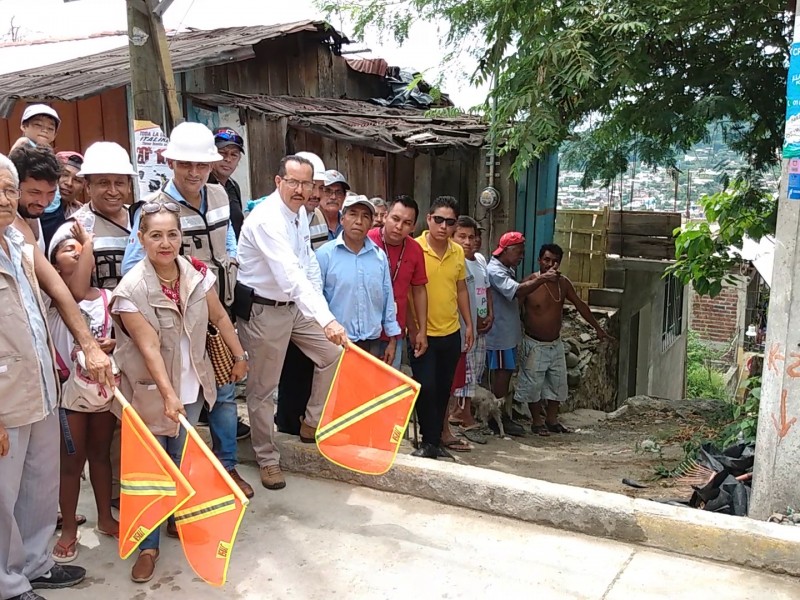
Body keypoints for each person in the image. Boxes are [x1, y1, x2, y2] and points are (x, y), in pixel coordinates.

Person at [110, 201, 248, 584]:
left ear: (182, 237)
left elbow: (219, 316)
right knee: (152, 469)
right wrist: (169, 396)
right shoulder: (131, 290)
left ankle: (177, 520)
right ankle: (147, 546)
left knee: (181, 460)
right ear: (141, 239)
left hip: (191, 389)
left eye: (172, 233)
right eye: (155, 235)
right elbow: (149, 347)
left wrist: (240, 354)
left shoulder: (194, 275)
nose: (165, 242)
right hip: (152, 394)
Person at [0, 152, 114, 600]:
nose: (5, 200)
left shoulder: (18, 241)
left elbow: (64, 296)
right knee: (2, 496)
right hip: (5, 399)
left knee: (39, 484)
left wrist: (87, 345)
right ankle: (7, 584)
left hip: (43, 388)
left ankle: (34, 563)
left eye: (10, 190)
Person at [122, 122, 253, 499]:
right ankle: (177, 486)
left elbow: (228, 241)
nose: (194, 173)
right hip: (175, 320)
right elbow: (135, 265)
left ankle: (226, 469)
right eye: (185, 165)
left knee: (225, 395)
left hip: (216, 310)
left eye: (202, 165)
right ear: (170, 162)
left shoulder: (218, 195)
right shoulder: (154, 210)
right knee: (179, 404)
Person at [236, 155, 347, 490]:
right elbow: (290, 275)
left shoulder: (300, 213)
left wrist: (322, 316)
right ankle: (267, 458)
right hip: (264, 309)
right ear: (278, 181)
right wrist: (327, 318)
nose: (301, 190)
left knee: (333, 353)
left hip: (294, 306)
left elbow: (307, 263)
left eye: (307, 183)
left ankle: (311, 423)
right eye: (294, 182)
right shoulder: (267, 219)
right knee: (262, 390)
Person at [47, 229, 118, 564]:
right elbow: (73, 289)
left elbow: (116, 335)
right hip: (69, 396)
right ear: (52, 262)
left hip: (101, 391)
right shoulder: (54, 296)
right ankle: (69, 531)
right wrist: (89, 242)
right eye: (66, 249)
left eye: (81, 249)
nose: (76, 253)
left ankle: (105, 518)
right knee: (71, 463)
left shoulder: (105, 296)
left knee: (101, 455)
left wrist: (111, 346)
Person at [515, 244, 611, 435]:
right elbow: (515, 307)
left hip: (556, 343)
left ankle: (552, 420)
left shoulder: (563, 283)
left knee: (558, 383)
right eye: (547, 260)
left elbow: (580, 305)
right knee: (533, 384)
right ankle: (536, 421)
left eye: (555, 261)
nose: (551, 265)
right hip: (534, 343)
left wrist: (598, 329)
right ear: (539, 260)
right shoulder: (529, 283)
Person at [408, 196, 474, 459]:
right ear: (428, 219)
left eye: (449, 222)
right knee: (426, 387)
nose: (443, 227)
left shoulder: (457, 251)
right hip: (422, 334)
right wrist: (412, 329)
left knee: (444, 389)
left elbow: (460, 289)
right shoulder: (413, 248)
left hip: (450, 331)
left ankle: (433, 443)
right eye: (439, 220)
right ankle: (427, 441)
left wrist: (468, 324)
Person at [317, 195, 401, 359]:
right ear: (342, 219)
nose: (359, 221)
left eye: (365, 216)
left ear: (371, 223)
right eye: (353, 214)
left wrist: (392, 339)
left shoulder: (379, 256)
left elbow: (387, 298)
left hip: (372, 343)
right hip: (335, 343)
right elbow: (315, 298)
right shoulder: (324, 255)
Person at [367, 194, 429, 370]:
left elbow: (419, 290)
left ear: (413, 227)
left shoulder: (415, 249)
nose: (399, 227)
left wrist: (421, 330)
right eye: (395, 219)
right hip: (364, 330)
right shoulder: (367, 241)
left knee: (388, 388)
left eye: (407, 223)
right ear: (385, 216)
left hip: (394, 331)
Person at [484, 231, 535, 437]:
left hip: (507, 333)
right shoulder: (495, 271)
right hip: (500, 335)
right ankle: (498, 417)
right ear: (507, 250)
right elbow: (516, 292)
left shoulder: (506, 268)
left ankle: (501, 414)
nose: (522, 255)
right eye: (519, 251)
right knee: (502, 375)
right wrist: (540, 280)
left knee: (505, 373)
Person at [451, 216, 493, 444]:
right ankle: (461, 412)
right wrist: (471, 320)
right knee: (463, 369)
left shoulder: (479, 261)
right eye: (462, 237)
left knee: (475, 369)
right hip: (462, 324)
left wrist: (489, 314)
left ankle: (462, 411)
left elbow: (486, 289)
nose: (468, 242)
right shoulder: (455, 262)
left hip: (480, 325)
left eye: (472, 237)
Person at [8, 145, 61, 255]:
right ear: (14, 186)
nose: (44, 202)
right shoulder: (8, 223)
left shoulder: (32, 212)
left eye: (51, 193)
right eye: (35, 193)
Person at [209, 127, 246, 240]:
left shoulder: (233, 186)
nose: (228, 159)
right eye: (222, 153)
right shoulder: (202, 186)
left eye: (234, 155)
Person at [295, 151, 328, 250]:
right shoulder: (278, 216)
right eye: (312, 186)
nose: (317, 194)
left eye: (321, 188)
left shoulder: (318, 215)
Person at [320, 169, 348, 240]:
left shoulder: (348, 223)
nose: (333, 197)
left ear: (344, 197)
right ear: (318, 193)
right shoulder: (309, 221)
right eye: (328, 191)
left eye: (338, 192)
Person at [56, 152, 86, 218]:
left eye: (77, 180)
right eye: (65, 175)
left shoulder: (81, 215)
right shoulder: (36, 209)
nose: (69, 183)